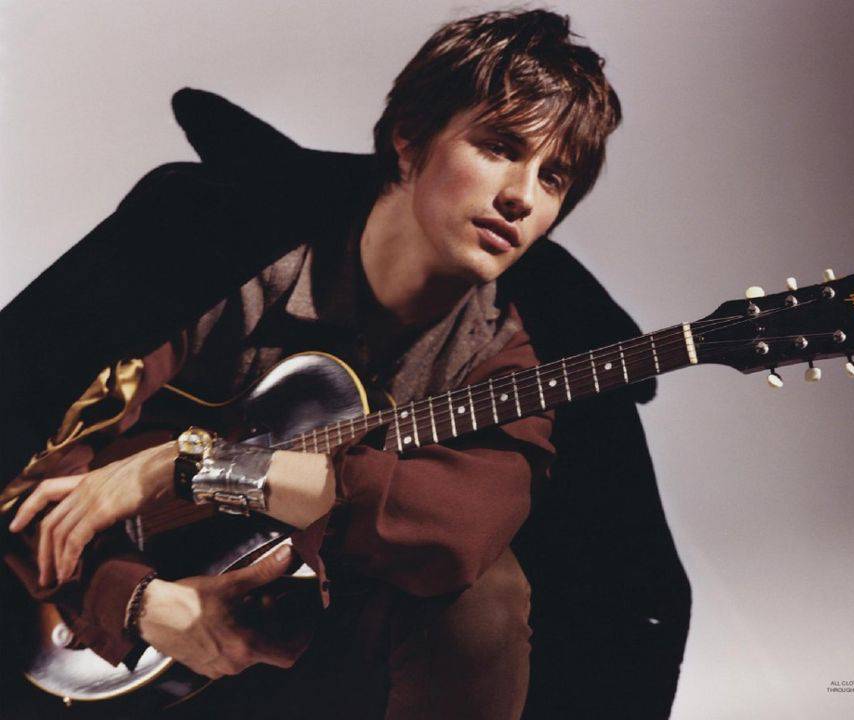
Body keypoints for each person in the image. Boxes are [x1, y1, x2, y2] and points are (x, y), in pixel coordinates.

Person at [0, 9, 690, 719]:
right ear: (409, 138)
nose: (522, 196)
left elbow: (456, 534)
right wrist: (138, 600)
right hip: (88, 641)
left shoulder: (514, 350)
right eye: (499, 147)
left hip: (307, 659)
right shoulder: (232, 265)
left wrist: (185, 466)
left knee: (485, 597)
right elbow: (32, 454)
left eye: (554, 179)